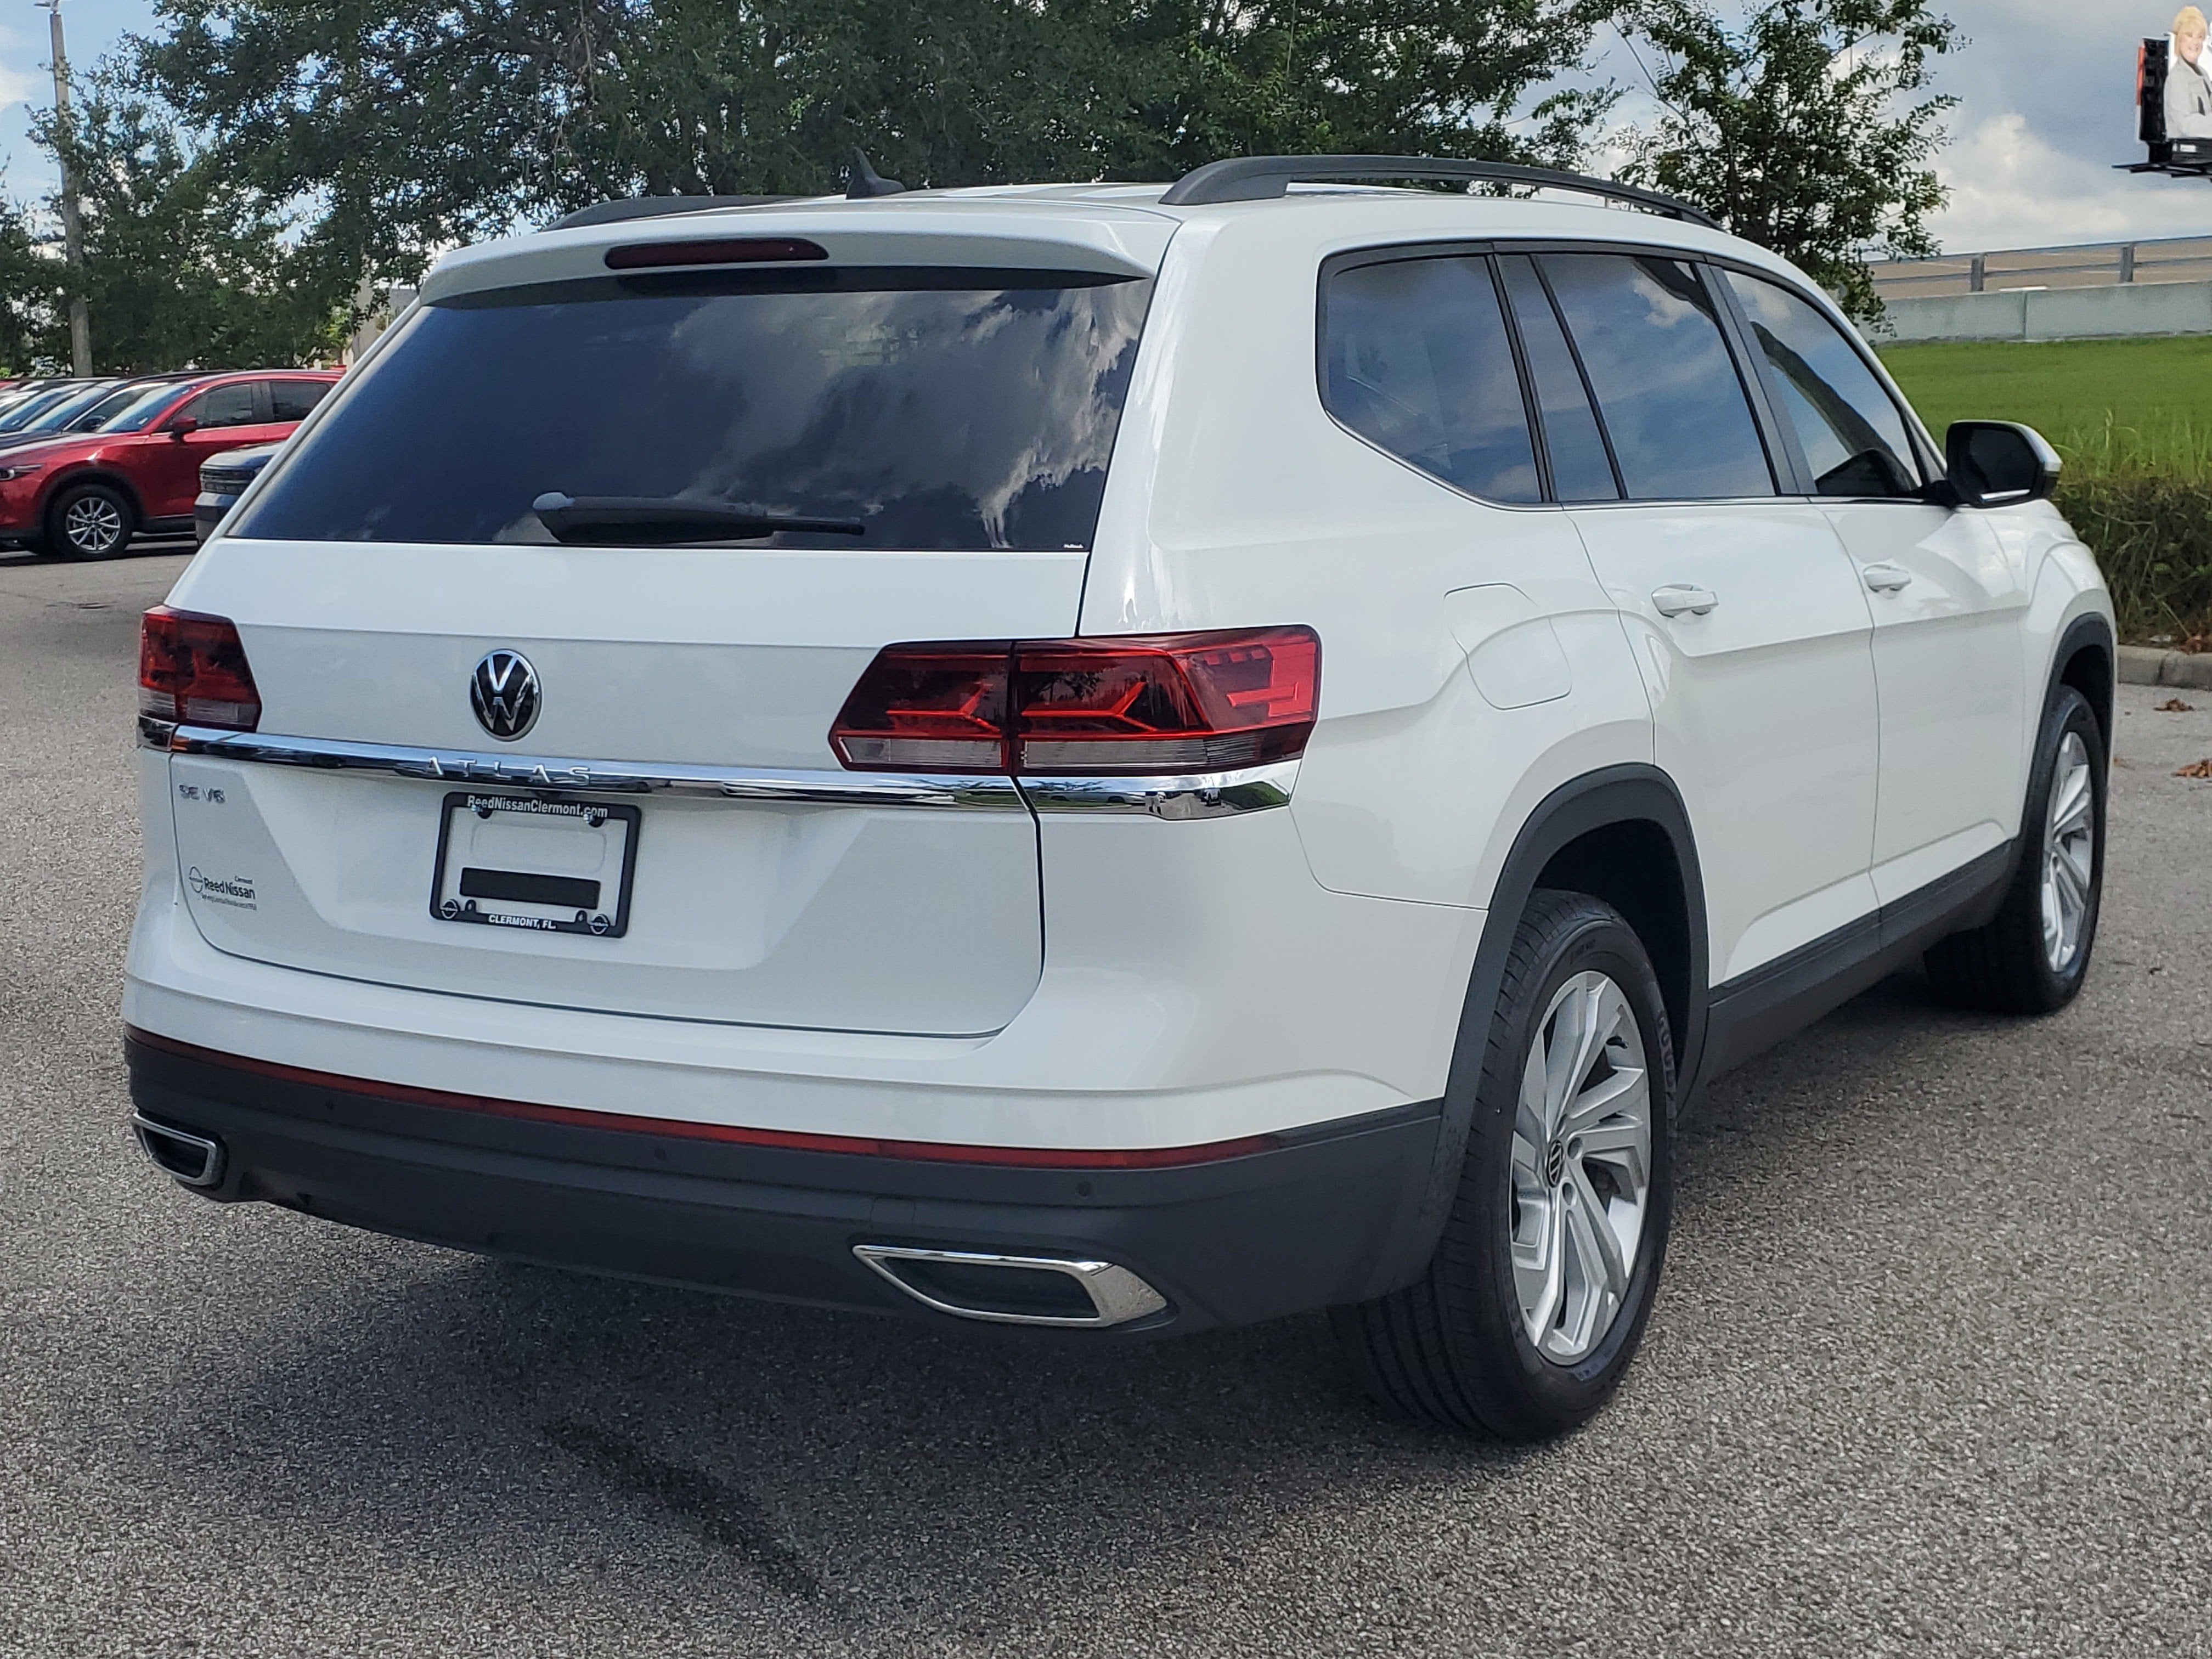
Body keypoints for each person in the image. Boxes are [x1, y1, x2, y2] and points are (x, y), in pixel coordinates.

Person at [2169, 7, 2212, 138]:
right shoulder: (2177, 78)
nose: (2195, 42)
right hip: (2186, 148)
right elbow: (2187, 125)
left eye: (2200, 37)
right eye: (2189, 35)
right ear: (2179, 39)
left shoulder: (2202, 74)